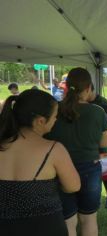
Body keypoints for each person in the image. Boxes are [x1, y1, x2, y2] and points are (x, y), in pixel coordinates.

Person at [0, 89, 80, 236]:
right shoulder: (54, 150)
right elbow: (73, 186)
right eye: (55, 116)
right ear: (40, 121)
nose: (56, 120)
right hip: (45, 227)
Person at [46, 68, 107, 236]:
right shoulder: (98, 112)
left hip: (58, 170)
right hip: (89, 169)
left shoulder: (53, 109)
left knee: (68, 221)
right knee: (89, 219)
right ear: (88, 87)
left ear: (66, 87)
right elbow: (105, 149)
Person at [88, 83, 107, 208]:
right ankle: (95, 195)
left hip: (102, 140)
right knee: (91, 166)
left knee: (106, 167)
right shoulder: (82, 102)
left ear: (89, 90)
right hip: (88, 141)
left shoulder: (104, 103)